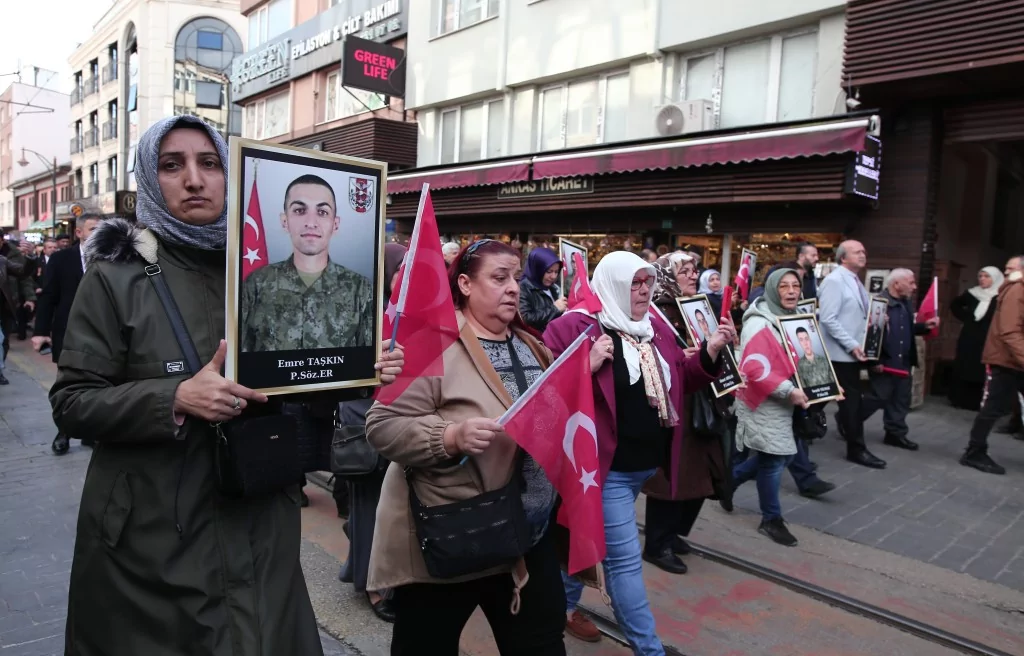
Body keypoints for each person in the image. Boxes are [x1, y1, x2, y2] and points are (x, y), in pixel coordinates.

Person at [51, 115, 405, 656]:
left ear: (228, 174)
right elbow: (72, 402)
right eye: (173, 166)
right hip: (155, 534)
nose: (194, 179)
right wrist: (173, 398)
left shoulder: (259, 271)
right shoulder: (113, 278)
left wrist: (357, 367)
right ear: (150, 179)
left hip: (259, 515)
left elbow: (292, 383)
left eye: (209, 163)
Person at [365, 239, 566, 656]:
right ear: (465, 284)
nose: (513, 287)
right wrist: (449, 437)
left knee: (542, 643)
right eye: (498, 277)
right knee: (426, 646)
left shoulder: (533, 346)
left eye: (515, 276)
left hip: (526, 536)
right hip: (454, 531)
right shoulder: (431, 344)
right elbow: (382, 426)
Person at [546, 251, 732, 655]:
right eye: (635, 282)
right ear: (612, 284)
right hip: (602, 469)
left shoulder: (655, 327)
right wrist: (585, 364)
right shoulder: (574, 327)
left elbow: (681, 380)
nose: (644, 290)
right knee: (624, 561)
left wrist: (711, 351)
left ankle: (560, 606)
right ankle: (649, 649)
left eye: (648, 282)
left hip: (641, 468)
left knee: (585, 535)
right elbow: (543, 392)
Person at [645, 249, 736, 578]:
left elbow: (714, 350)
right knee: (675, 475)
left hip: (704, 399)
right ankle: (657, 543)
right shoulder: (654, 311)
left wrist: (727, 345)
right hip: (677, 405)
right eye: (684, 271)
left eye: (695, 269)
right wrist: (679, 357)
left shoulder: (697, 306)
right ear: (666, 275)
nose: (693, 275)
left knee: (703, 473)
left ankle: (673, 534)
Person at [337, 242, 408, 624]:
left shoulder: (407, 312)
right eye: (401, 270)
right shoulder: (359, 308)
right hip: (365, 419)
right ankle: (373, 586)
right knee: (369, 507)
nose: (406, 277)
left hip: (400, 419)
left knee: (390, 508)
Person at [240, 173, 374, 353]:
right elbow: (241, 360)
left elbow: (367, 364)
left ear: (335, 224)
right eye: (299, 210)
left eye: (322, 212)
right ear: (284, 221)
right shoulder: (256, 284)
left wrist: (384, 366)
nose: (311, 223)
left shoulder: (360, 289)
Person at [734, 269, 813, 546]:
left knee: (783, 456)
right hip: (766, 401)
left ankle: (730, 480)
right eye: (784, 286)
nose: (792, 291)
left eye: (795, 285)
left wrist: (824, 386)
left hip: (792, 400)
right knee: (775, 460)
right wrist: (788, 390)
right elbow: (753, 369)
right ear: (771, 289)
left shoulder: (796, 317)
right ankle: (771, 519)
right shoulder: (759, 324)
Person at [32, 213, 103, 455]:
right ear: (79, 233)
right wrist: (40, 331)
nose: (98, 233)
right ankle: (63, 432)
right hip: (68, 331)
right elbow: (49, 297)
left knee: (98, 384)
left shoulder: (111, 257)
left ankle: (91, 432)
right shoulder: (61, 259)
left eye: (101, 229)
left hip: (102, 333)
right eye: (93, 229)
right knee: (67, 386)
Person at [818, 240, 886, 469]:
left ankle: (797, 434)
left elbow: (853, 316)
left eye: (864, 251)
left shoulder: (854, 280)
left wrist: (876, 320)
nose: (863, 255)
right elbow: (827, 318)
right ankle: (856, 449)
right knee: (849, 401)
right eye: (857, 252)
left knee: (826, 399)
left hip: (851, 353)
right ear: (843, 257)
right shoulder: (834, 281)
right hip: (839, 353)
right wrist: (851, 344)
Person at [861, 269, 939, 452]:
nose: (915, 287)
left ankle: (895, 434)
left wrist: (924, 327)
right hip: (885, 361)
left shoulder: (905, 304)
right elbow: (871, 335)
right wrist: (874, 361)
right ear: (897, 284)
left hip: (903, 360)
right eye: (911, 283)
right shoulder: (879, 304)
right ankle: (848, 420)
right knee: (877, 397)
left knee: (900, 399)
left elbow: (907, 330)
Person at [960, 255, 1024, 475]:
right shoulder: (1017, 290)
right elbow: (1010, 330)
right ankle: (974, 452)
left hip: (1014, 359)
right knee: (993, 407)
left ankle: (975, 450)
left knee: (996, 406)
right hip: (1006, 359)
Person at [949, 266, 1004, 410]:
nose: (982, 279)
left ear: (995, 278)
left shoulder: (1001, 295)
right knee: (964, 365)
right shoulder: (972, 293)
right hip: (969, 336)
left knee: (981, 369)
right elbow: (955, 305)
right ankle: (959, 399)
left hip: (989, 338)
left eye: (987, 276)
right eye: (980, 276)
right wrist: (967, 318)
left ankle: (978, 402)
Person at [518, 247, 566, 332]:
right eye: (549, 271)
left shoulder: (553, 288)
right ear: (538, 269)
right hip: (536, 341)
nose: (553, 276)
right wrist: (555, 309)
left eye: (556, 272)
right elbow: (525, 319)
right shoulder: (523, 288)